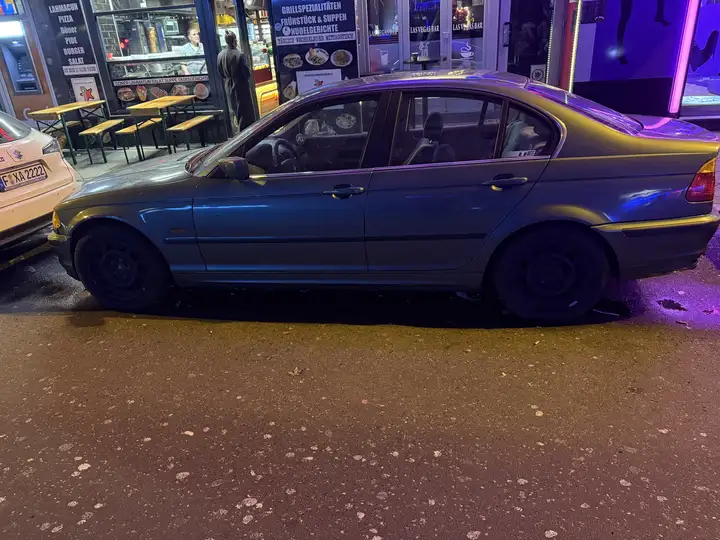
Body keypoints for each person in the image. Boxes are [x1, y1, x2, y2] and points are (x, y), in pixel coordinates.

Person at [217, 30, 255, 131]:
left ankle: (237, 130)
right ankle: (246, 133)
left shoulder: (220, 55)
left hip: (228, 85)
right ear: (234, 41)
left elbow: (220, 73)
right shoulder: (239, 54)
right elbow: (247, 73)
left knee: (234, 109)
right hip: (240, 86)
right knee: (245, 112)